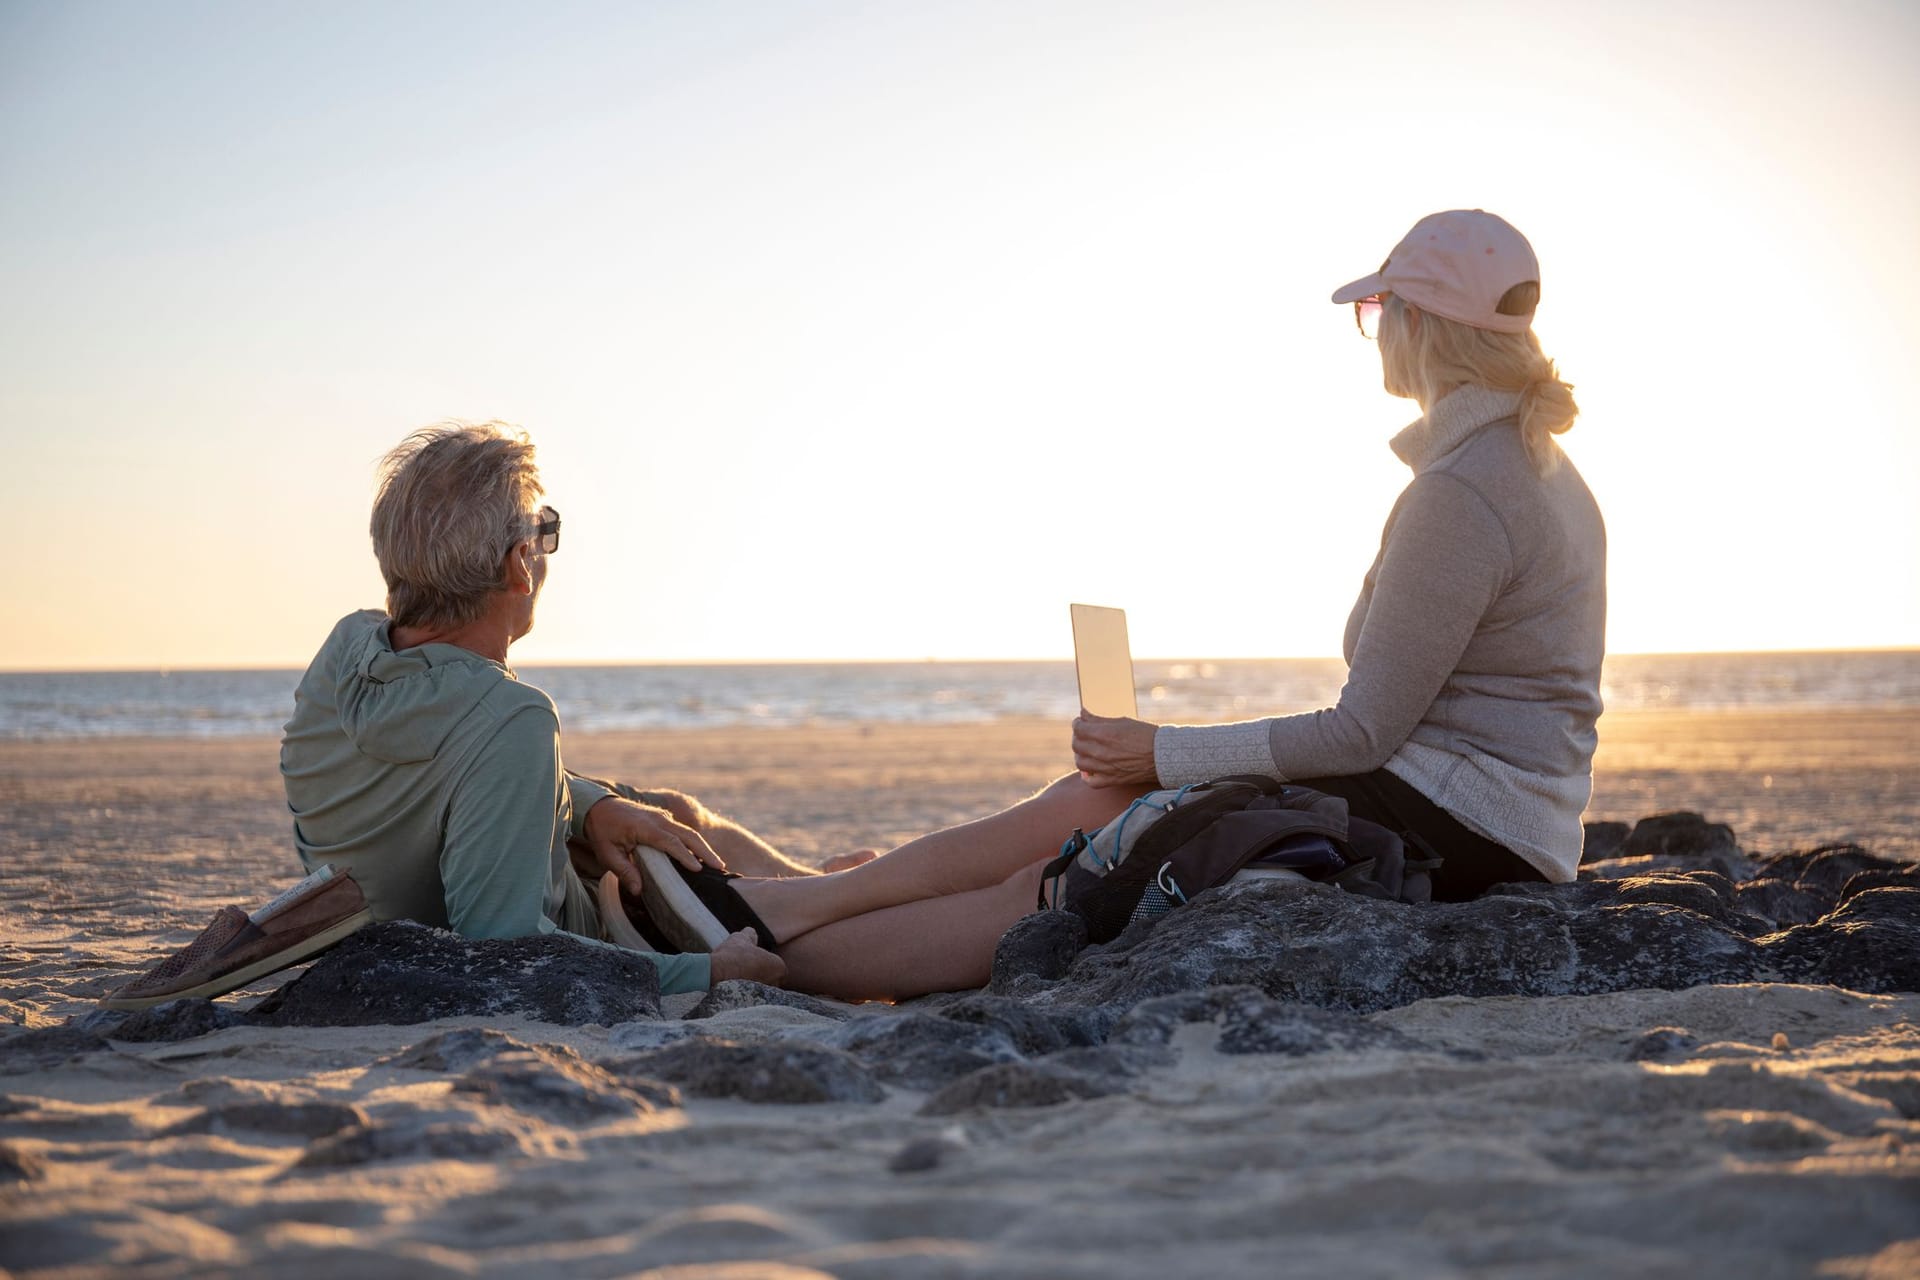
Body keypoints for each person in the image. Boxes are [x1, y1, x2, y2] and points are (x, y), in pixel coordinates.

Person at [631, 209, 1605, 1002]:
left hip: (1464, 837)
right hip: (1480, 816)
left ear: (1419, 322)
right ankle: (789, 903)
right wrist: (1154, 759)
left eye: (1377, 308)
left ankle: (766, 956)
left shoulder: (1465, 491)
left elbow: (1359, 733)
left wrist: (1166, 752)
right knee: (1089, 798)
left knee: (1068, 871)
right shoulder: (1527, 468)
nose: (1374, 330)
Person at [279, 423, 792, 994]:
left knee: (662, 810)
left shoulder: (347, 649)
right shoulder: (512, 716)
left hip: (388, 905)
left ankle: (815, 877)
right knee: (763, 916)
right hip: (584, 934)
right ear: (520, 564)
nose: (547, 548)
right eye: (542, 532)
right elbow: (508, 946)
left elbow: (451, 772)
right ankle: (856, 894)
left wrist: (592, 807)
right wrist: (708, 973)